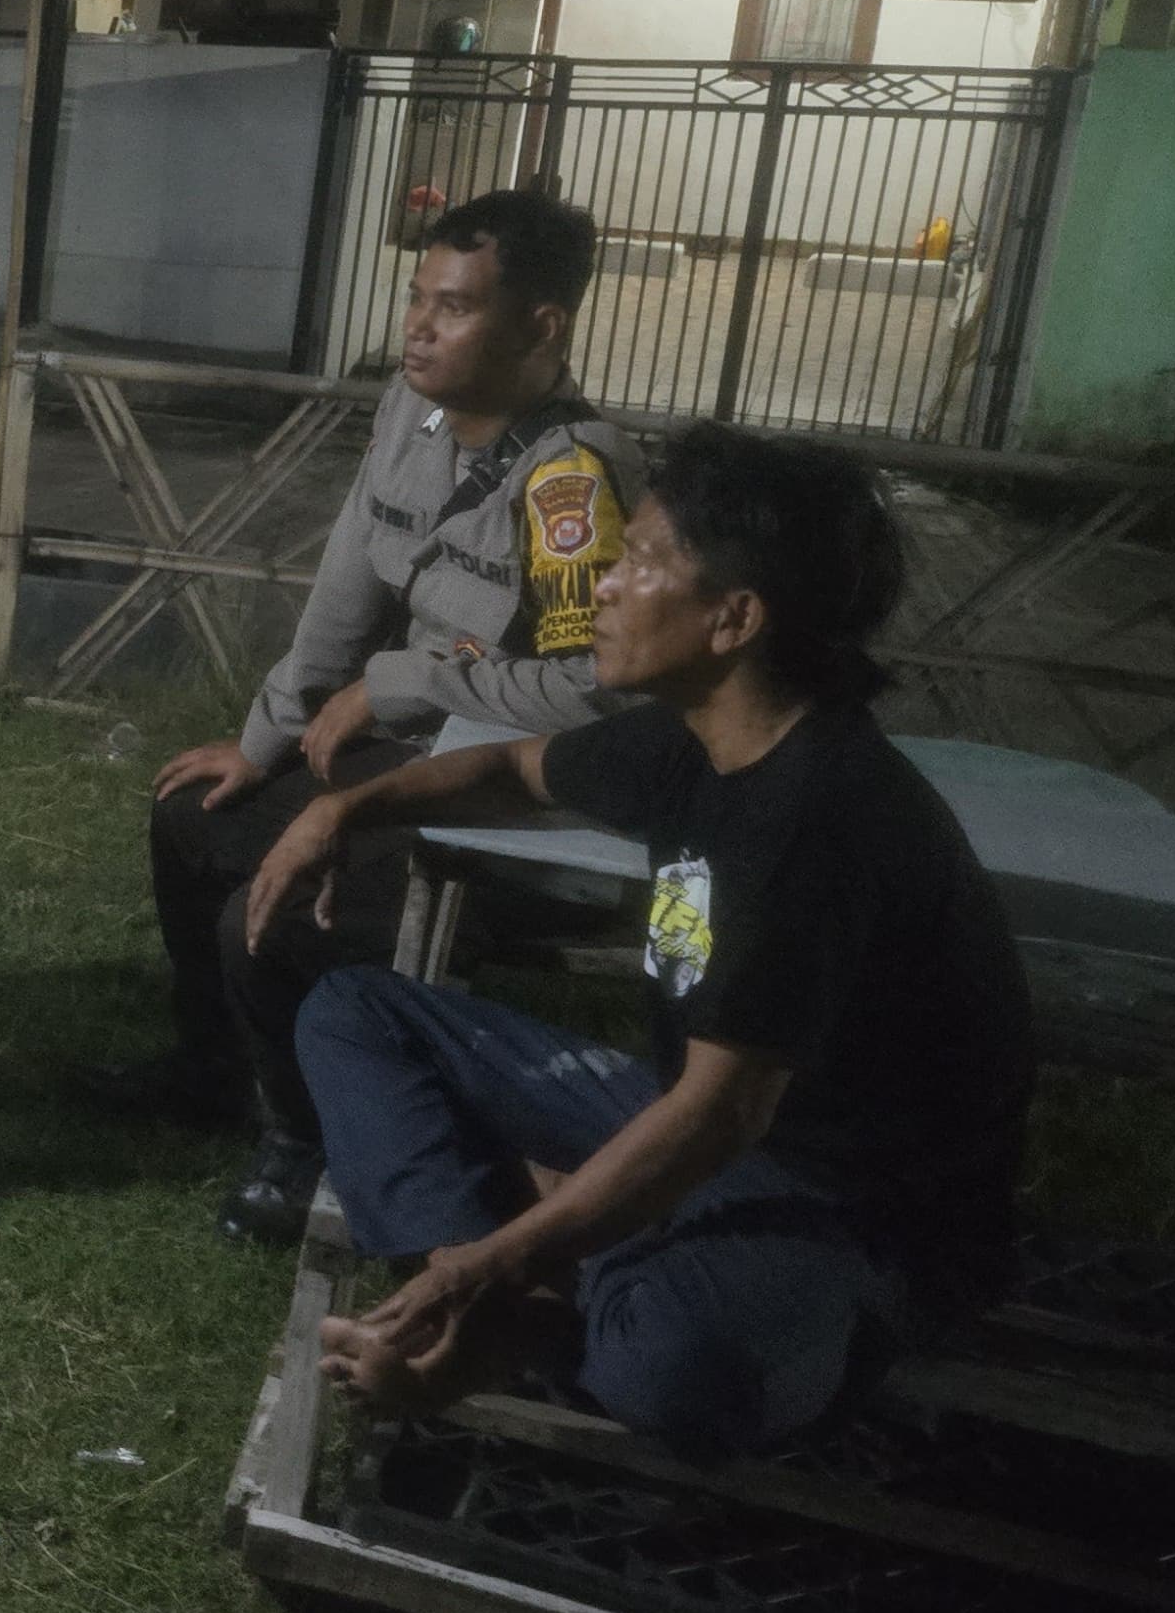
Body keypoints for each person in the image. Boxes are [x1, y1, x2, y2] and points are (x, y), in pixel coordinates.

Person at [249, 424, 1030, 1458]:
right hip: (690, 1124)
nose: (603, 586)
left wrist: (498, 1253)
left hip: (846, 1205)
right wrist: (344, 809)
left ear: (733, 618)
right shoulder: (695, 737)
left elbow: (720, 1116)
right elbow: (511, 769)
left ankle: (512, 1298)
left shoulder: (814, 816)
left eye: (641, 561)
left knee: (676, 1367)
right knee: (356, 1012)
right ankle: (491, 1311)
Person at [116, 189, 644, 1247]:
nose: (418, 328)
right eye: (416, 299)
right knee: (195, 817)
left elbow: (600, 691)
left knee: (266, 910)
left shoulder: (572, 483)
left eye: (454, 307)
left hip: (516, 808)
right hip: (407, 760)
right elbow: (342, 598)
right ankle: (213, 1069)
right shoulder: (411, 413)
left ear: (542, 326)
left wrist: (410, 681)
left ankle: (305, 1142)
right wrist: (262, 742)